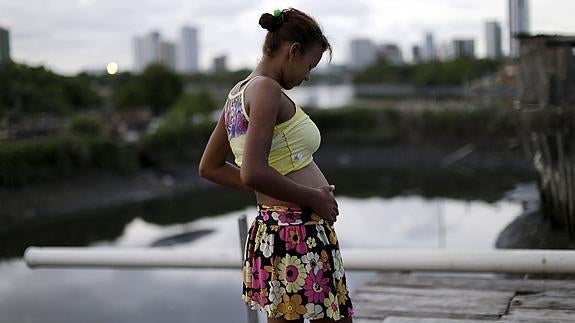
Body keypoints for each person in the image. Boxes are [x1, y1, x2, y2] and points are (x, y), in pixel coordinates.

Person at [199, 8, 354, 323]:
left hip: (276, 231)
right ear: (292, 51)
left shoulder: (237, 93)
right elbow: (252, 172)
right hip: (298, 233)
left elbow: (211, 167)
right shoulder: (267, 89)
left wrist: (270, 190)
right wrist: (313, 197)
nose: (307, 76)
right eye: (309, 65)